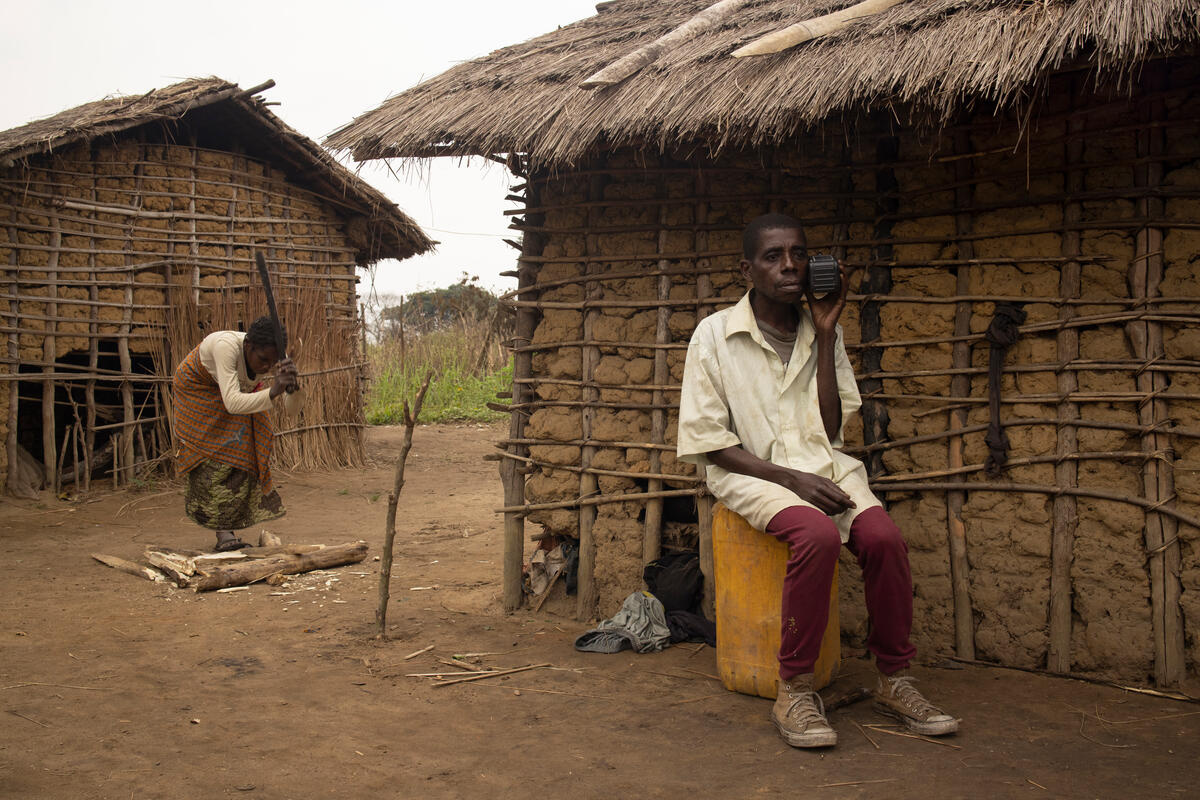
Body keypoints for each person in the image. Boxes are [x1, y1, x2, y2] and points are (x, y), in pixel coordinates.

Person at [677, 213, 958, 748]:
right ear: (747, 269)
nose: (789, 266)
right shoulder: (715, 335)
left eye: (799, 254)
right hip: (750, 471)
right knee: (818, 535)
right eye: (773, 256)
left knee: (884, 541)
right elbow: (711, 441)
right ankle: (795, 687)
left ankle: (895, 680)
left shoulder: (820, 331)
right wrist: (792, 480)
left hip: (821, 466)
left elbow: (829, 430)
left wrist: (826, 333)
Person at [173, 316, 302, 552]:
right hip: (198, 391)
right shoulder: (226, 347)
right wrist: (274, 389)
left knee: (249, 448)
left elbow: (293, 411)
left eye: (270, 364)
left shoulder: (272, 360)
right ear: (248, 346)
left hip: (238, 392)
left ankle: (230, 524)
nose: (265, 368)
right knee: (214, 456)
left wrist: (292, 387)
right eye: (262, 360)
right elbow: (232, 403)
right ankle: (224, 532)